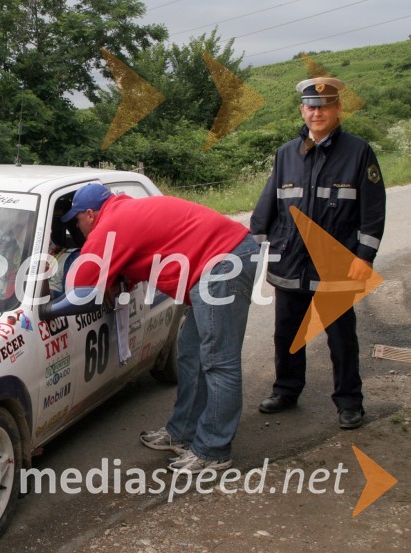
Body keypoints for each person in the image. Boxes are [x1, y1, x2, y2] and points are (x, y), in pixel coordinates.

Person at [40, 183, 259, 473]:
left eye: (77, 222)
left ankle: (214, 450)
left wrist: (46, 310)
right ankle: (181, 433)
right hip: (223, 258)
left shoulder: (110, 226)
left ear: (90, 214)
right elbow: (138, 258)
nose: (78, 231)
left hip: (223, 262)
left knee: (219, 363)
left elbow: (84, 292)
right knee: (191, 355)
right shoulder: (124, 211)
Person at [250, 77, 386, 429]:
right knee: (287, 333)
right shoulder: (285, 154)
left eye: (324, 106)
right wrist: (253, 247)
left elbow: (373, 210)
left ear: (338, 110)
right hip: (290, 258)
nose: (317, 112)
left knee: (341, 337)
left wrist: (364, 256)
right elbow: (268, 203)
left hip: (337, 263)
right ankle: (286, 390)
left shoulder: (359, 152)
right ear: (302, 110)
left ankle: (349, 403)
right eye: (311, 106)